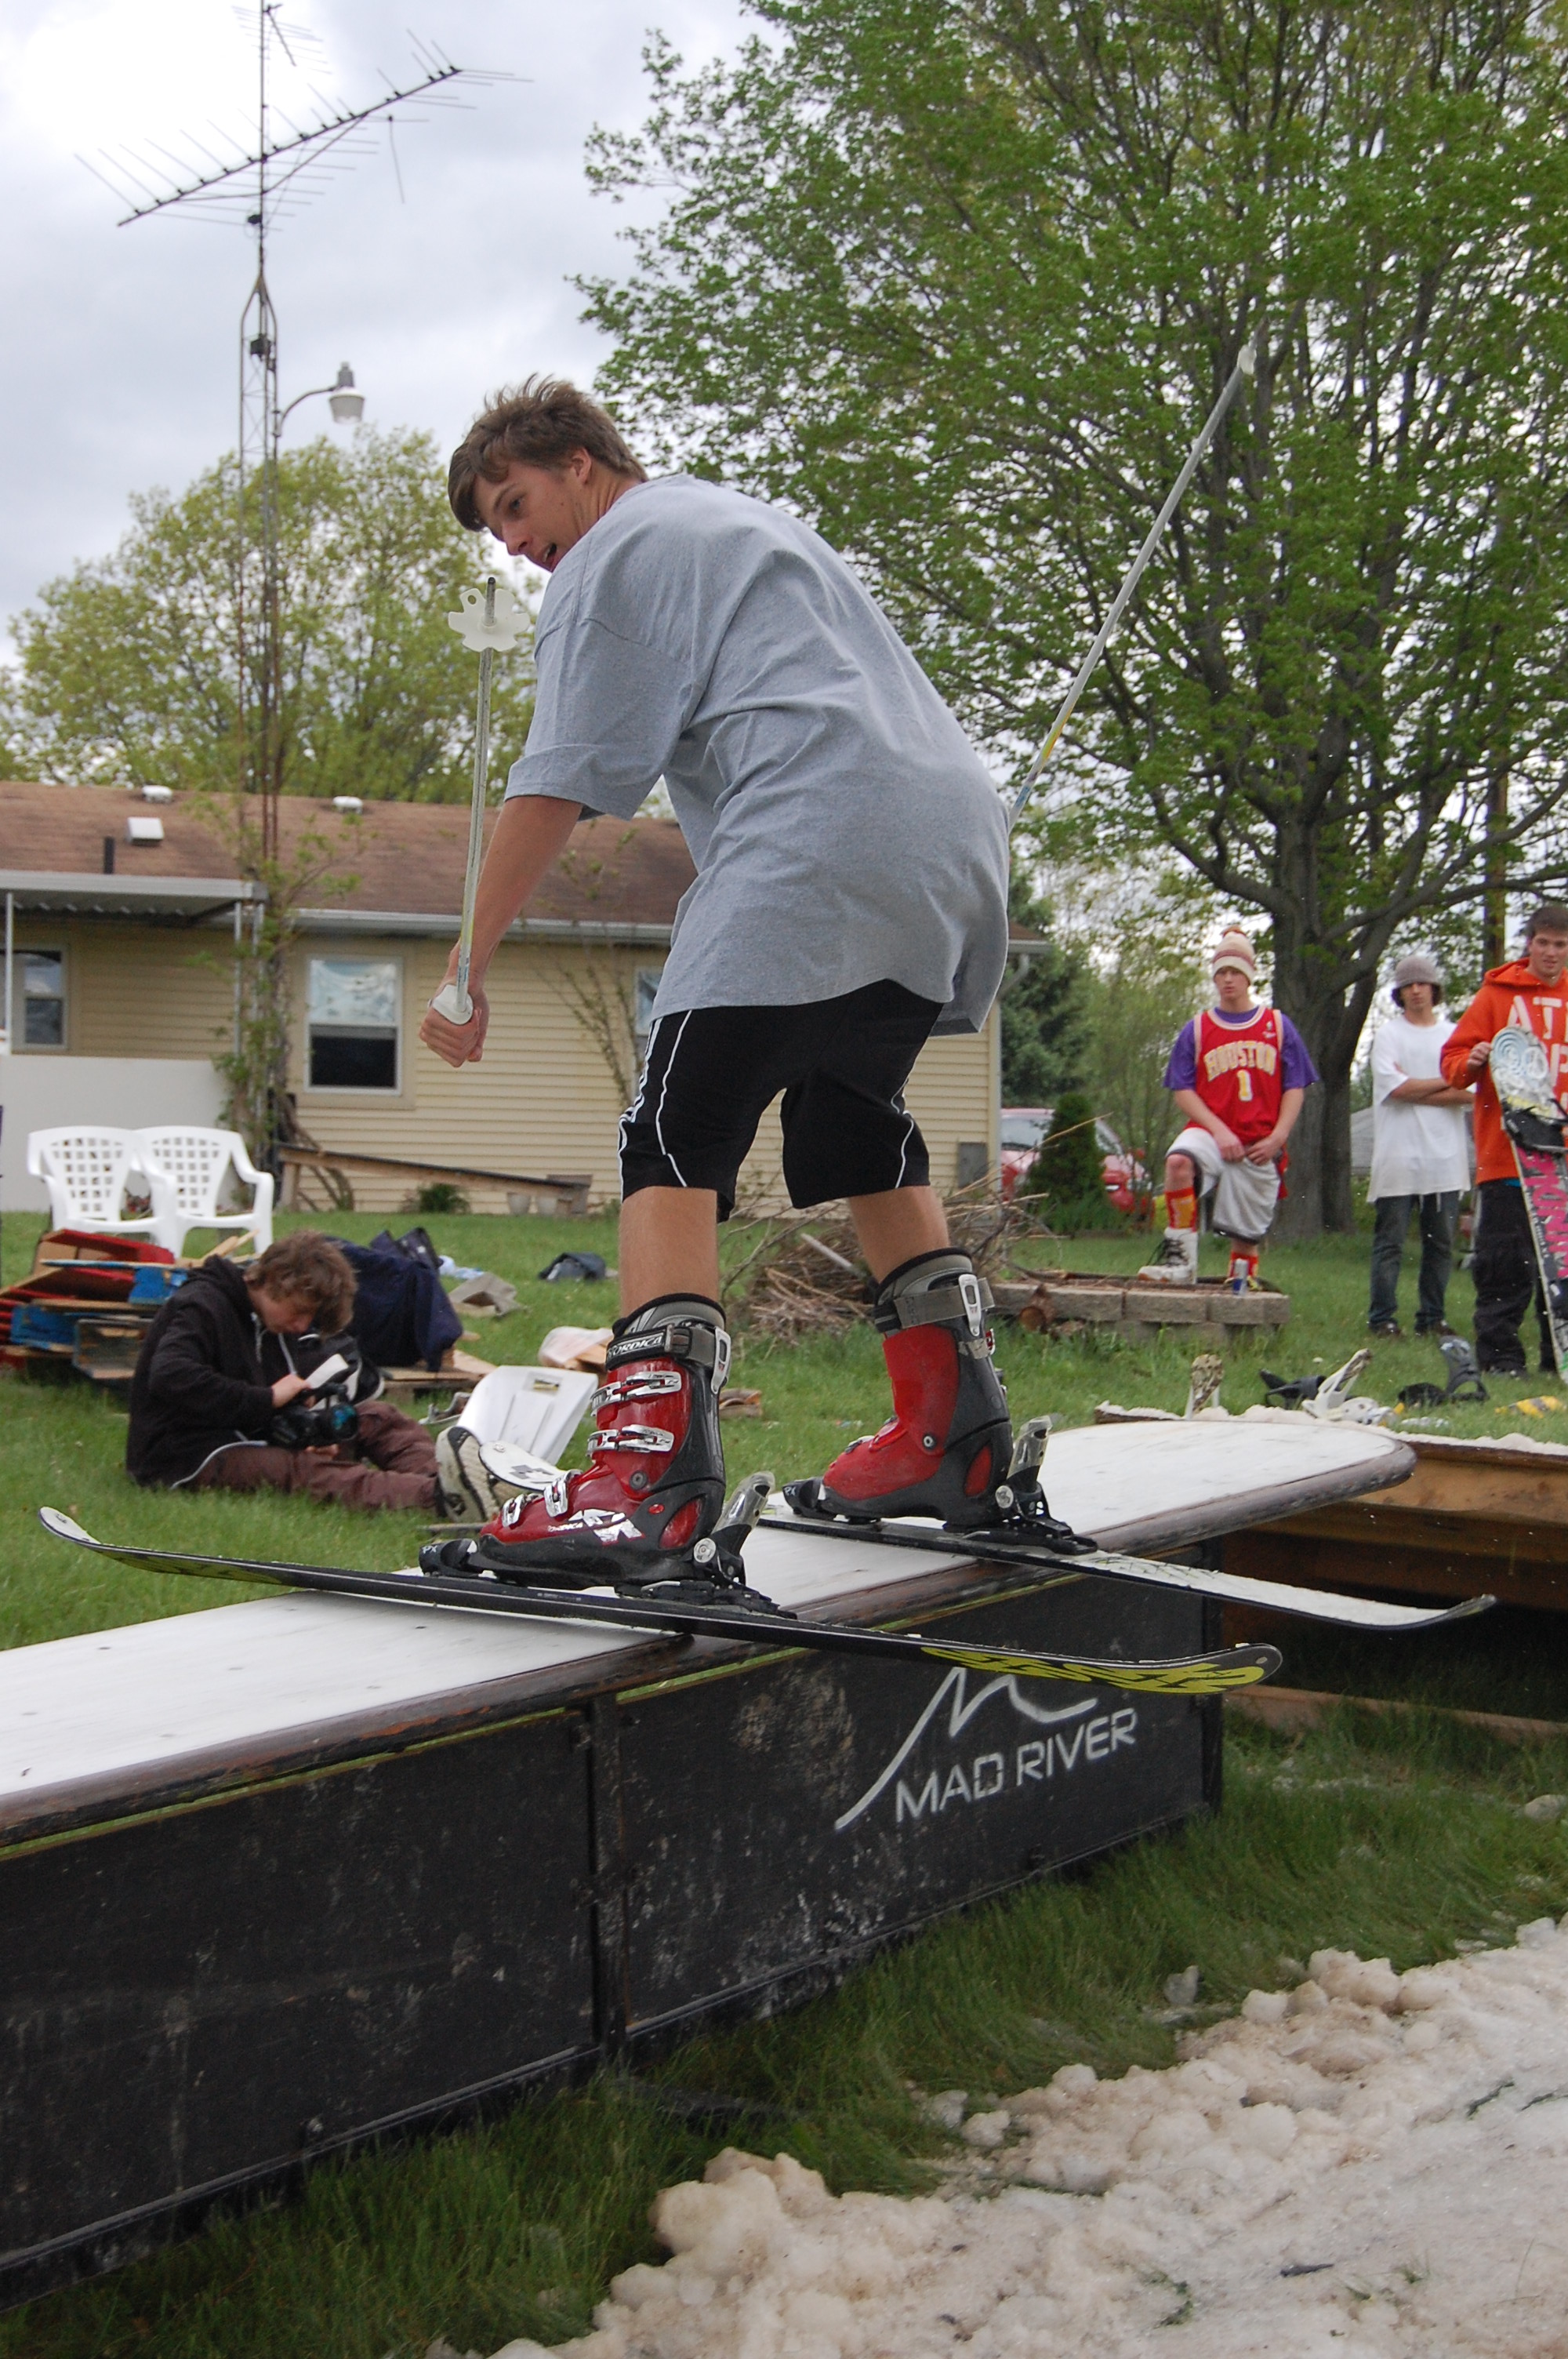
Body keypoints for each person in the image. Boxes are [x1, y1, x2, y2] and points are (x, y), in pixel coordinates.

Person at [419, 377, 1011, 1580]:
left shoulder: (616, 550)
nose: (517, 545)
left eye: (516, 504)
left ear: (581, 462)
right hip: (947, 844)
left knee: (673, 1136)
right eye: (496, 531)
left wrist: (466, 961)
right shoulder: (742, 522)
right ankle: (953, 1438)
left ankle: (646, 1487)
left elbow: (559, 778)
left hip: (816, 836)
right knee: (856, 1122)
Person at [127, 1230, 502, 1518]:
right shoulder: (202, 1305)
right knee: (306, 1470)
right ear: (278, 1281)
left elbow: (257, 1404)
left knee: (376, 1417)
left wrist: (303, 1429)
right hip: (186, 1454)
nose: (302, 1325)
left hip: (246, 1433)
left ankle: (447, 1479)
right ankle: (440, 1498)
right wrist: (268, 1400)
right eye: (300, 1311)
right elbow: (171, 1376)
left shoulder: (268, 1321)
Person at [1138, 929, 1318, 1290]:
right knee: (1178, 1163)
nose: (1228, 979)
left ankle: (1239, 1289)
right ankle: (1180, 1260)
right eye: (1221, 972)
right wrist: (1218, 1130)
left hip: (1259, 1140)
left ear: (1249, 976)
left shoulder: (1277, 1026)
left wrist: (1278, 1137)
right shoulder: (1198, 1029)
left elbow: (1294, 1087)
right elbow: (1183, 1090)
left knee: (1245, 1237)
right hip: (1211, 1132)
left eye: (1235, 971)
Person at [1441, 904, 1568, 1375]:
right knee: (1504, 1263)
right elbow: (1452, 1064)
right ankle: (1501, 1359)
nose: (1550, 952)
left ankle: (1558, 1356)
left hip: (1563, 1157)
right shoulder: (1496, 995)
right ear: (1529, 943)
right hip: (1507, 1155)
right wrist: (1472, 1060)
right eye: (1543, 942)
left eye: (1560, 945)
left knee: (1563, 1265)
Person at [1366, 953, 1473, 1339]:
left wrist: (1415, 1086)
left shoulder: (1454, 1035)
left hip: (1444, 1157)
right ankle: (1382, 1318)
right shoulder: (1389, 1036)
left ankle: (1432, 1318)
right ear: (1399, 993)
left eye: (1422, 983)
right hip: (1398, 1155)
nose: (1416, 991)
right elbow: (1394, 1089)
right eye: (1408, 985)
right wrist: (1444, 1081)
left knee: (1440, 1243)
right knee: (1390, 1242)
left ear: (1434, 989)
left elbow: (1471, 1092)